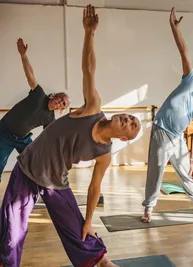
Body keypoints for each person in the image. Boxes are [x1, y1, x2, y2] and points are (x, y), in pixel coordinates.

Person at [0, 5, 140, 267]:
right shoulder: (92, 108)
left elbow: (94, 188)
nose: (129, 119)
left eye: (132, 125)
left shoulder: (105, 154)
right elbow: (88, 70)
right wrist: (89, 33)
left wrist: (88, 221)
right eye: (130, 116)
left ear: (123, 138)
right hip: (27, 168)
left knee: (78, 226)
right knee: (12, 228)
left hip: (55, 181)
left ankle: (101, 260)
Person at [141, 7, 193, 223]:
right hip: (162, 130)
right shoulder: (190, 81)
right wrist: (174, 28)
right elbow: (184, 52)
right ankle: (148, 208)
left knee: (187, 173)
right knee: (156, 171)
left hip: (177, 138)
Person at [0, 38, 70, 182]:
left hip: (22, 139)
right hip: (3, 133)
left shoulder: (50, 118)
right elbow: (30, 76)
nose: (60, 103)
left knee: (35, 163)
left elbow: (51, 138)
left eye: (63, 104)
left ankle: (40, 191)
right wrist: (23, 55)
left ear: (61, 108)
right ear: (55, 96)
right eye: (61, 98)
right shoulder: (39, 95)